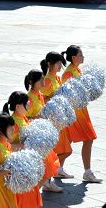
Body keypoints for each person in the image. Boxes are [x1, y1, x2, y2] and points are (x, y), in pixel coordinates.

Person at [61, 45, 102, 183]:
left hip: (81, 110)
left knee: (69, 141)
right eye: (81, 54)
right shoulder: (68, 73)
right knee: (88, 138)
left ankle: (58, 168)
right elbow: (67, 94)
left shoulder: (76, 70)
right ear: (73, 57)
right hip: (75, 112)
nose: (83, 57)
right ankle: (87, 172)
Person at [41, 51, 73, 179]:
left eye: (61, 62)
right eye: (57, 63)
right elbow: (43, 100)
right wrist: (55, 99)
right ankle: (50, 173)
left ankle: (57, 169)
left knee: (66, 150)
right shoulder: (47, 81)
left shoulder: (58, 78)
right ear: (50, 64)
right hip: (52, 121)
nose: (60, 65)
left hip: (59, 119)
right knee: (58, 151)